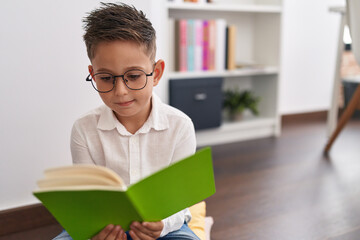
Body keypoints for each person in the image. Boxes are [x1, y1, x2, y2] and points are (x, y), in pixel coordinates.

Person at [53, 2, 199, 240]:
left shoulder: (180, 126)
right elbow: (88, 199)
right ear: (93, 74)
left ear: (157, 73)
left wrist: (162, 224)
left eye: (133, 76)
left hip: (163, 228)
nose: (120, 91)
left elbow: (181, 202)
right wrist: (96, 230)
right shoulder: (84, 129)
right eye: (106, 78)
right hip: (104, 229)